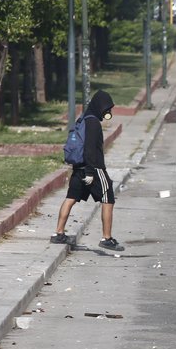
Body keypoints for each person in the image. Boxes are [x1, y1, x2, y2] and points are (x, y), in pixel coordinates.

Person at [50, 90, 124, 251]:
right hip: (94, 168)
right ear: (99, 107)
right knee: (108, 198)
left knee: (71, 198)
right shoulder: (93, 123)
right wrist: (90, 172)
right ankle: (107, 238)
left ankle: (58, 233)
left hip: (79, 168)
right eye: (106, 109)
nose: (107, 112)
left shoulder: (83, 119)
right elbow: (89, 148)